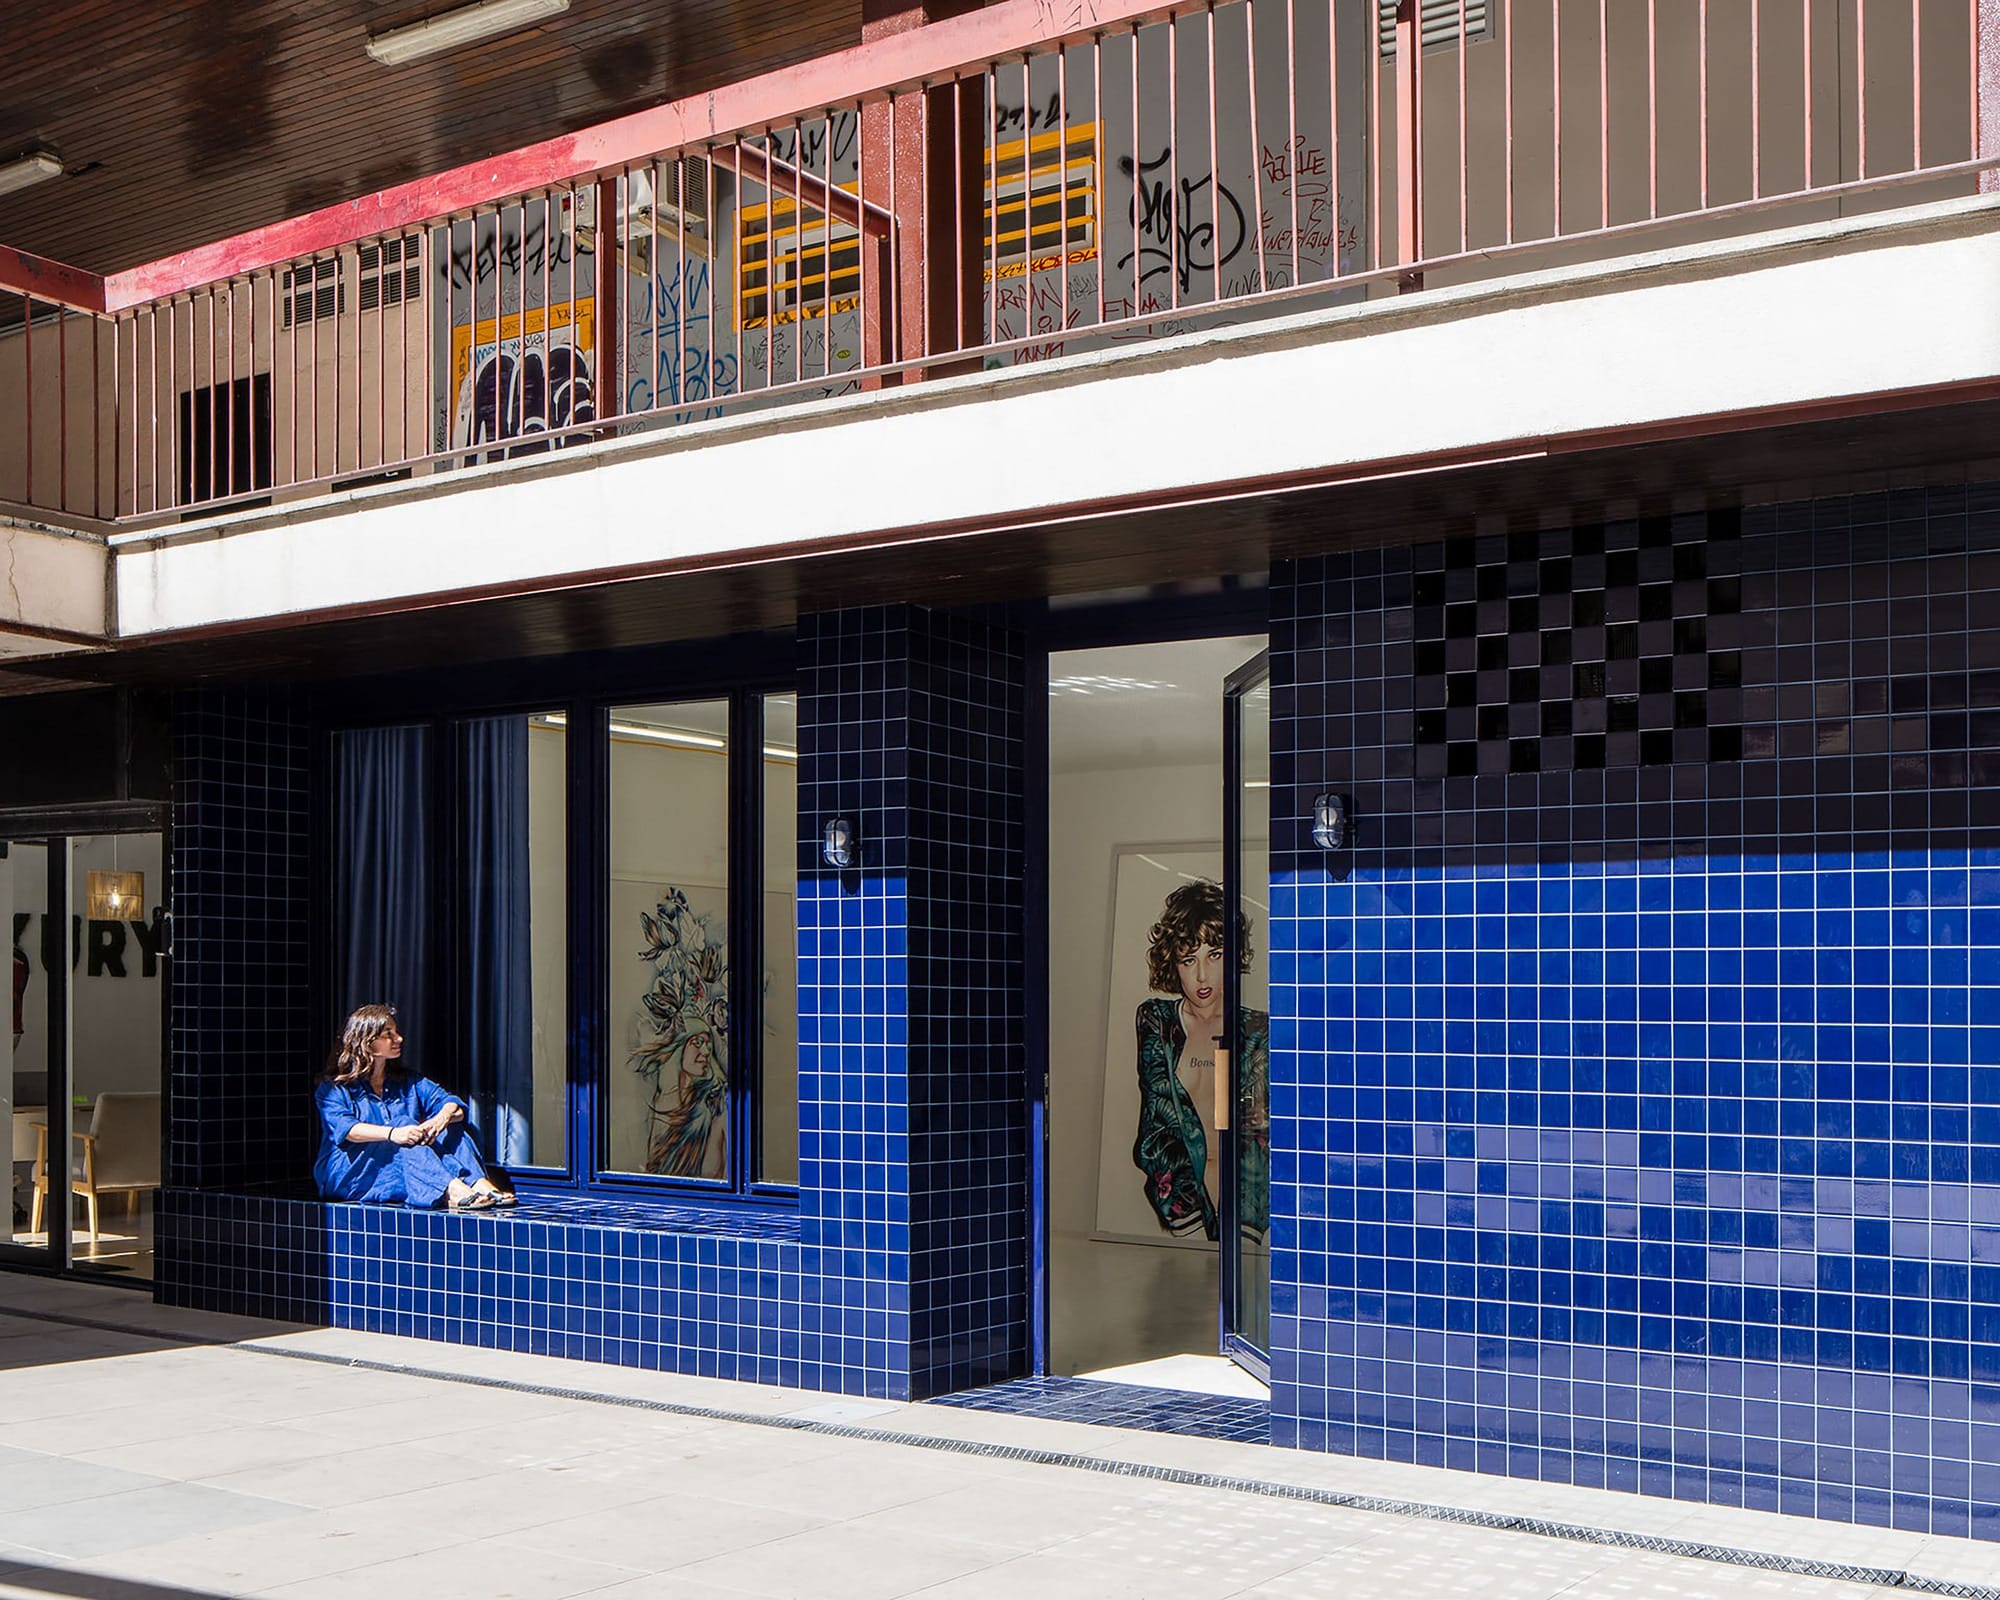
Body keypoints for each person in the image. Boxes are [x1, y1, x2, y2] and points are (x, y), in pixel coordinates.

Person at [1132, 879, 1270, 1242]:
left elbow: (1260, 1130)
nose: (1202, 976)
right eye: (1189, 960)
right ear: (1173, 964)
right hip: (1178, 1214)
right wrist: (1182, 1209)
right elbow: (1155, 1124)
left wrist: (1249, 1215)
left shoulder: (1257, 1030)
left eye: (1215, 954)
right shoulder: (1157, 1022)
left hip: (1245, 1213)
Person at [312, 1004, 514, 1210]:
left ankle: (477, 1183)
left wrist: (440, 1119)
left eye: (396, 1032)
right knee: (405, 1125)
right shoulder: (333, 1088)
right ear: (366, 1042)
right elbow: (348, 1130)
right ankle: (452, 1188)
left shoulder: (407, 1081)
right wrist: (393, 1133)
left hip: (397, 1169)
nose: (399, 1038)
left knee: (449, 1125)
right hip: (351, 1175)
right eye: (388, 1034)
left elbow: (453, 1106)